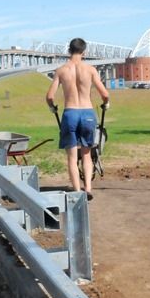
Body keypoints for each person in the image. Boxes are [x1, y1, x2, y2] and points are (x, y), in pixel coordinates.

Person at [46, 37, 110, 201]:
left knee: (72, 157)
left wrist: (52, 107)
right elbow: (105, 94)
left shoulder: (61, 70)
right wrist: (106, 104)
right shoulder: (90, 70)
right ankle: (88, 188)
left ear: (69, 51)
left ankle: (76, 191)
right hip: (87, 113)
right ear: (84, 52)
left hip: (70, 113)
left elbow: (50, 96)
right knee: (87, 154)